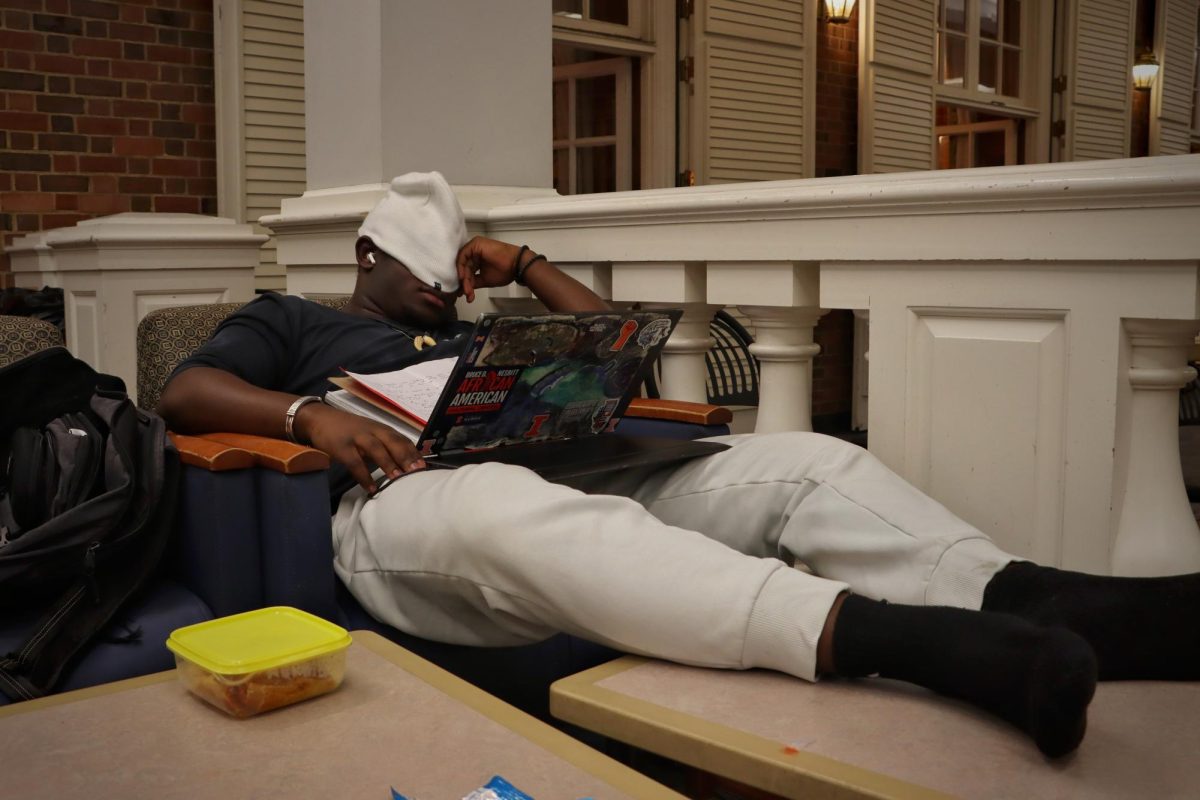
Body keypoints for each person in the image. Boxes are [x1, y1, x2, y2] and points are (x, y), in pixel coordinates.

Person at [159, 172, 1199, 759]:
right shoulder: (294, 321)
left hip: (567, 473)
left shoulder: (478, 335)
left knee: (802, 460)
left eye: (451, 281)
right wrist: (308, 416)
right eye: (421, 279)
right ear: (365, 258)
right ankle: (922, 644)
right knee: (498, 501)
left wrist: (523, 265)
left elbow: (619, 343)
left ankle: (1042, 596)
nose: (443, 295)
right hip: (398, 509)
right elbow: (185, 390)